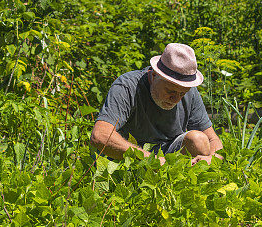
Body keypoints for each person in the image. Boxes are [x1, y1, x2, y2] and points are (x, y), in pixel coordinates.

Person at [89, 43, 223, 165]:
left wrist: (213, 157)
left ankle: (183, 187)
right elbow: (100, 135)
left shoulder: (190, 92)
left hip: (167, 155)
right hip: (126, 158)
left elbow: (213, 140)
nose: (176, 98)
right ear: (153, 76)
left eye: (182, 93)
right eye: (170, 90)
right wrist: (150, 159)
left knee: (198, 140)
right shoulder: (127, 86)